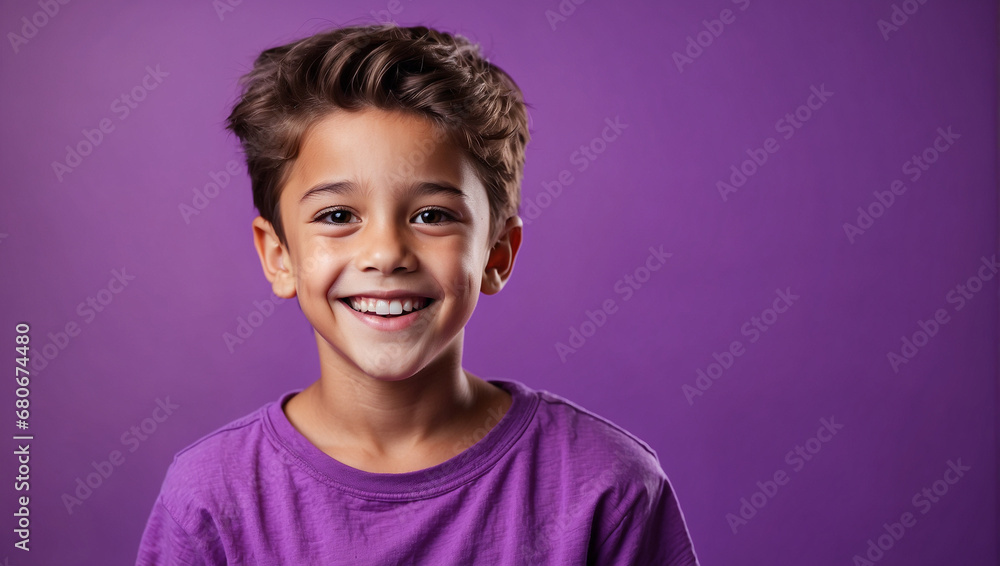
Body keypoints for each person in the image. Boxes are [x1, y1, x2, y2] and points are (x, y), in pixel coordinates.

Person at [136, 22, 699, 565]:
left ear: (496, 254)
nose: (386, 253)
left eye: (432, 215)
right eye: (338, 216)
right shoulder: (211, 497)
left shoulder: (607, 486)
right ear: (279, 256)